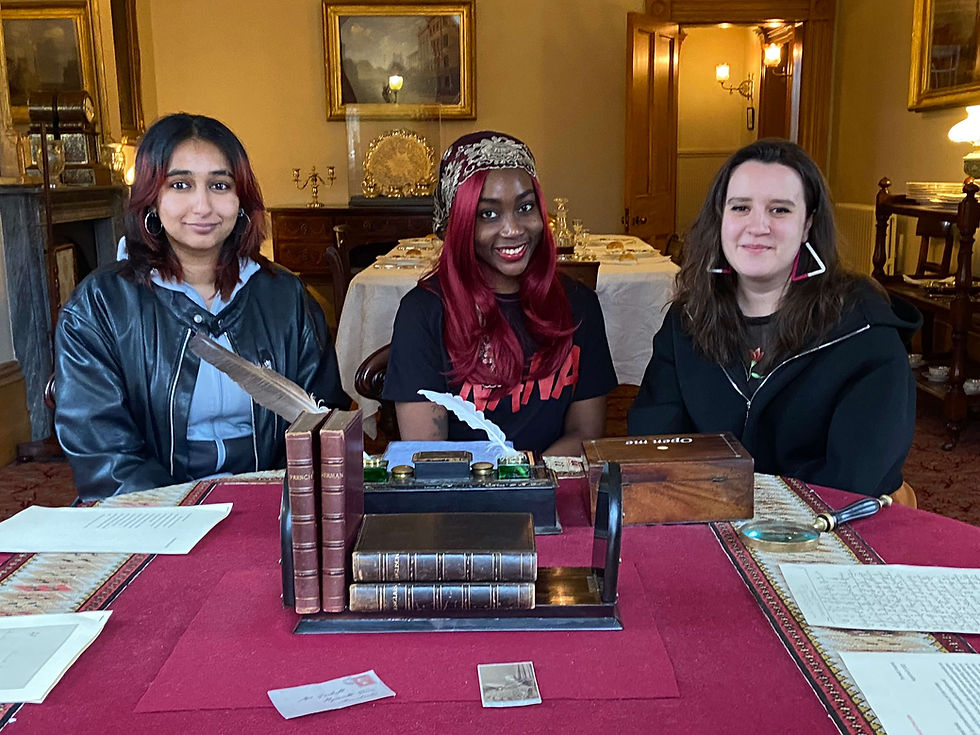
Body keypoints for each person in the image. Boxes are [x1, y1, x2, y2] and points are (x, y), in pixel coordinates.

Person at [55, 113, 348, 500]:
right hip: (151, 508)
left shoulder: (285, 296)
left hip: (274, 500)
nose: (203, 205)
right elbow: (105, 456)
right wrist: (181, 510)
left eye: (219, 185)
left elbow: (323, 424)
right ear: (151, 198)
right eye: (180, 185)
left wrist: (283, 504)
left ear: (241, 200)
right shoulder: (100, 306)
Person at [628, 139, 920, 497]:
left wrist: (743, 503)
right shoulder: (686, 318)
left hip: (823, 521)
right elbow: (654, 439)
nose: (758, 226)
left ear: (808, 224)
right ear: (721, 218)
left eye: (779, 210)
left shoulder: (864, 331)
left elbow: (854, 477)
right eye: (740, 208)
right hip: (701, 513)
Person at [383, 131, 618, 456]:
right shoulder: (422, 313)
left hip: (551, 479)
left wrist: (528, 478)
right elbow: (430, 454)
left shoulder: (579, 305)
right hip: (462, 486)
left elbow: (585, 432)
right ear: (459, 223)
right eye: (488, 214)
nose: (513, 229)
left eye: (525, 207)